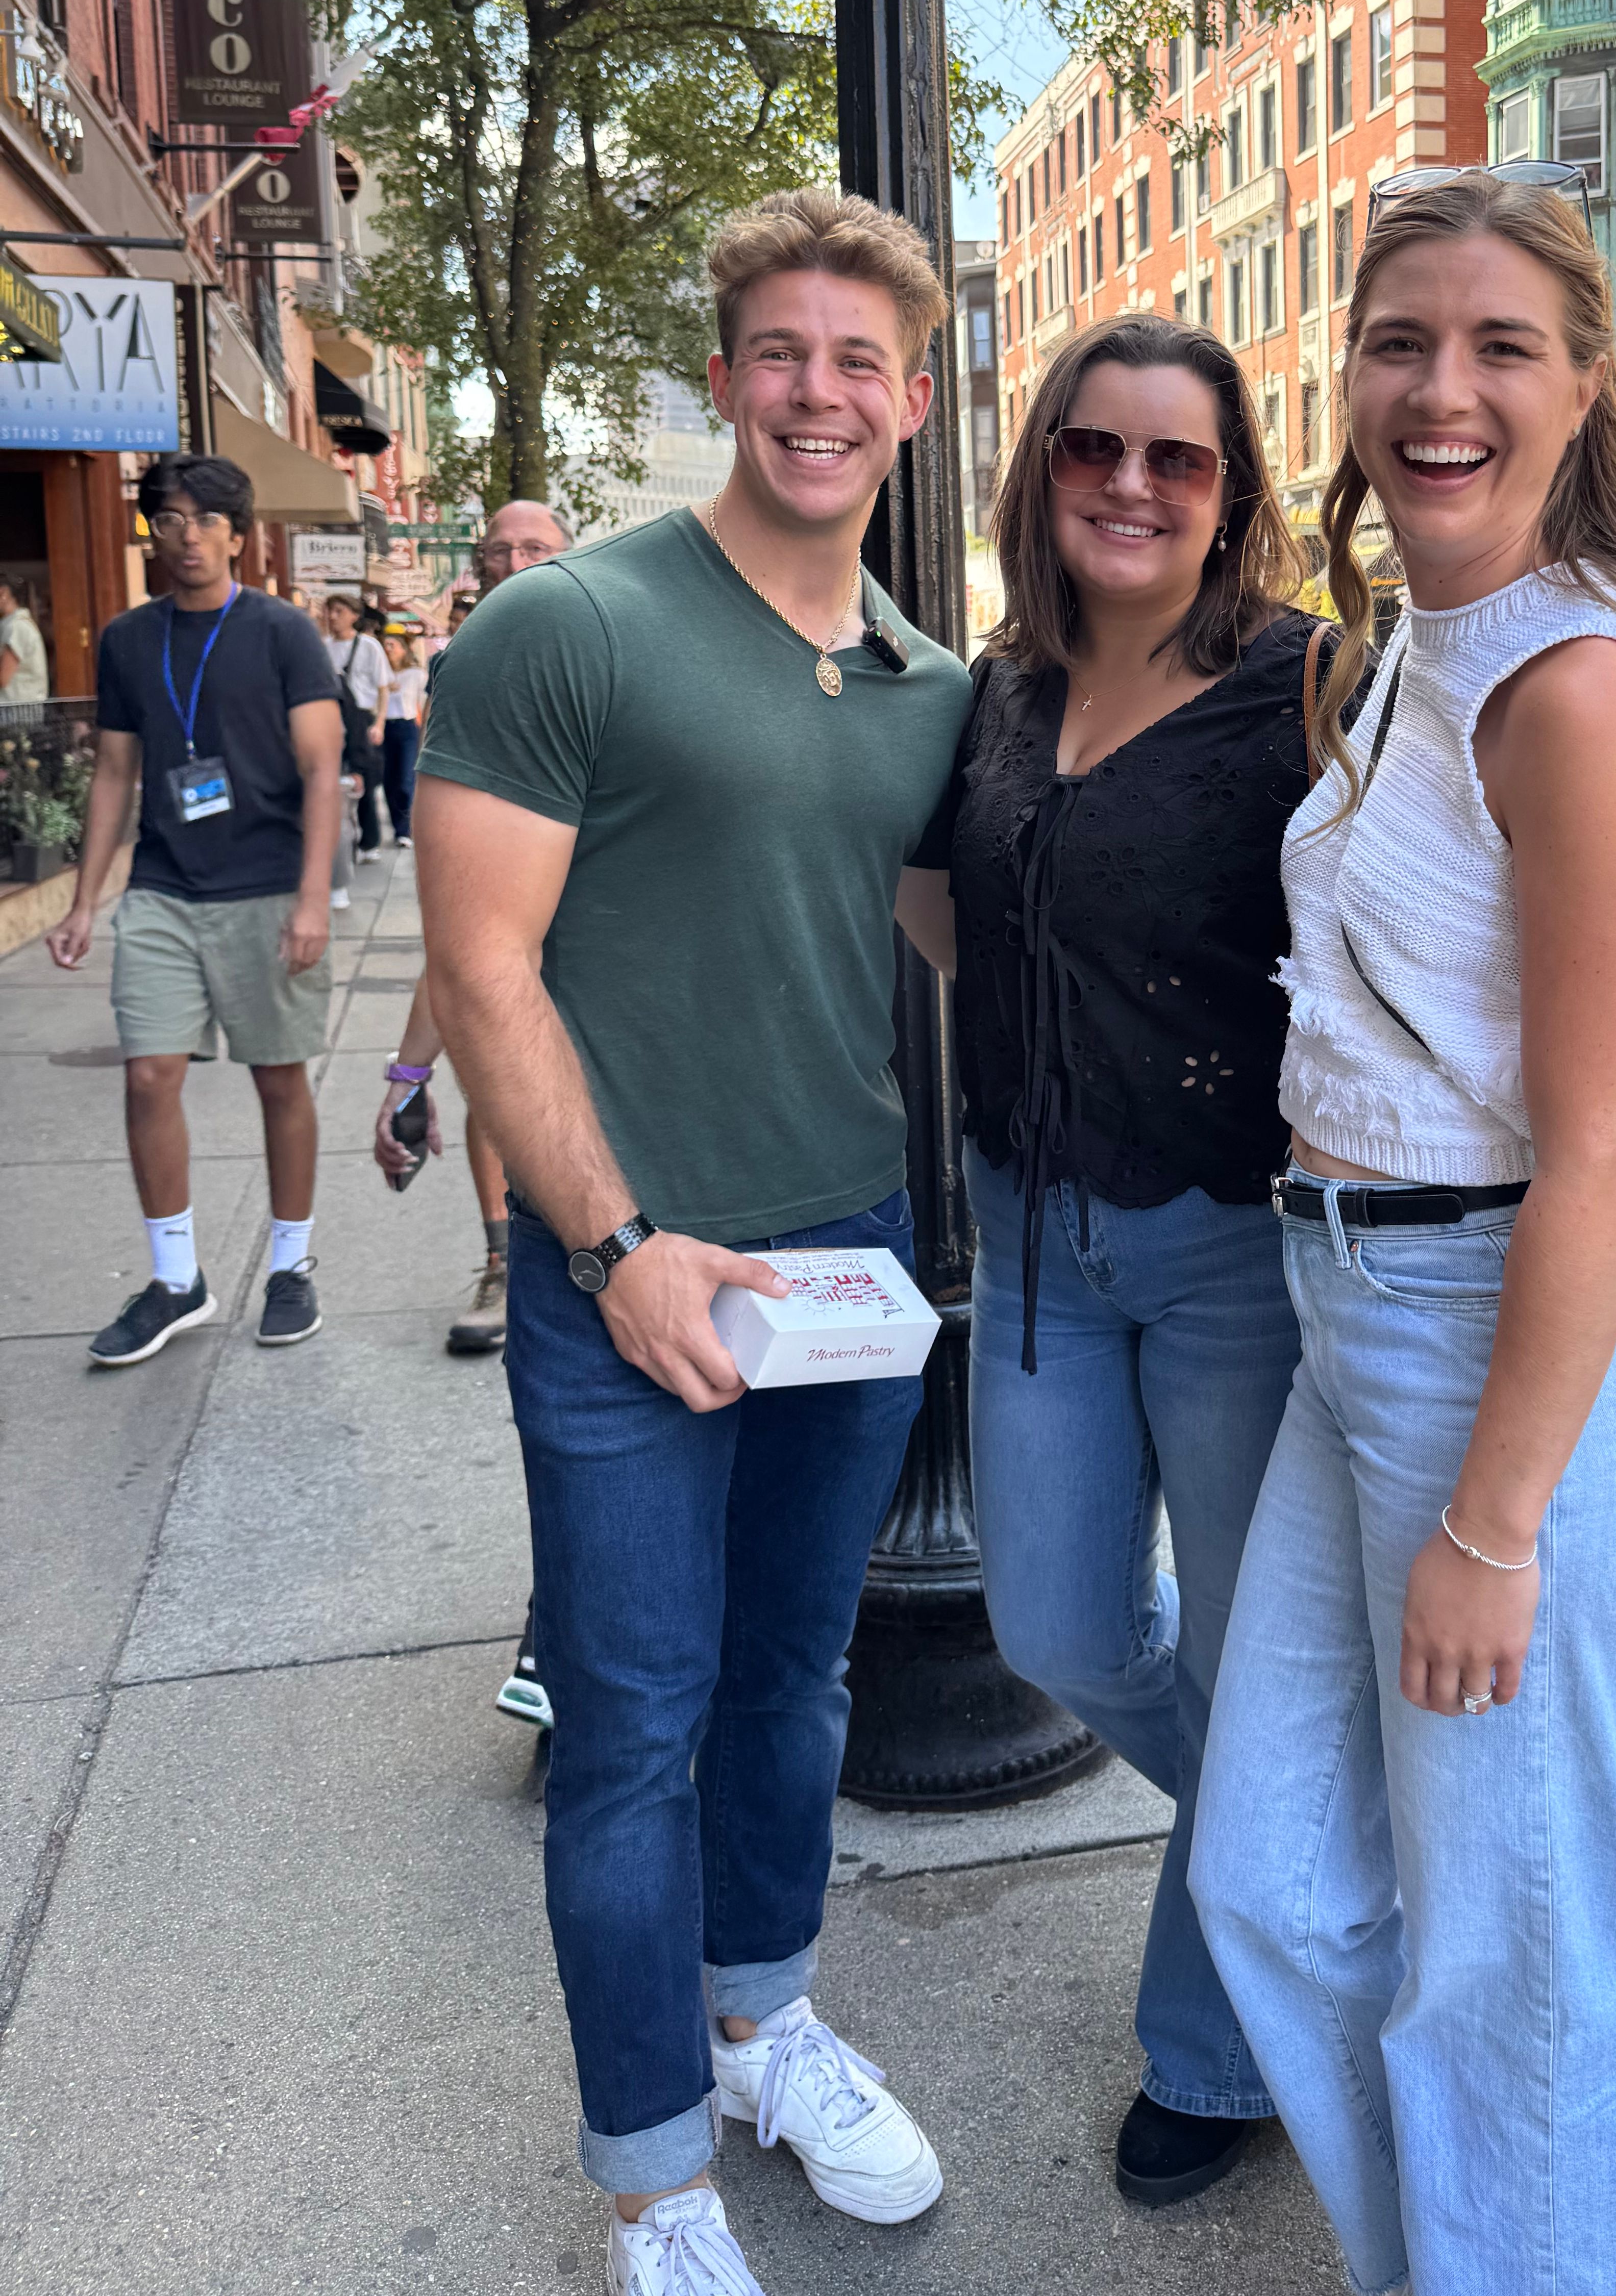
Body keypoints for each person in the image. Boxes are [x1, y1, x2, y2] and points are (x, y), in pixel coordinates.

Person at [1189, 172, 1616, 2296]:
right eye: (1402, 340)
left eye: (1503, 345)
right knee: (1277, 1889)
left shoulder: (1580, 688)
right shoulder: (1419, 645)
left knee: (1517, 1975)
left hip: (1503, 1354)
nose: (1444, 389)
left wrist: (1498, 1520)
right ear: (1344, 378)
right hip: (1360, 1322)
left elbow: (1604, 1152)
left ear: (1584, 381)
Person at [415, 186, 967, 2294]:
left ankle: (766, 2027)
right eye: (782, 352)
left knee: (793, 1686)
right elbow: (485, 967)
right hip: (625, 1265)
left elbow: (955, 930)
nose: (818, 393)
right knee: (632, 1722)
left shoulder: (927, 681)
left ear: (910, 403)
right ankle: (654, 2175)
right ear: (724, 374)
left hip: (837, 1252)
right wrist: (616, 1240)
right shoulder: (573, 628)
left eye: (860, 363)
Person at [895, 313, 1331, 2209]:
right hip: (1040, 1241)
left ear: (1232, 493)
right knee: (1059, 1632)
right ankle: (1300, 1852)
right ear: (1042, 466)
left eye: (1179, 458)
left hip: (1235, 1252)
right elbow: (945, 903)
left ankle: (1215, 2042)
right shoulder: (996, 690)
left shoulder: (1306, 689)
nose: (1133, 487)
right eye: (1096, 449)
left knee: (1246, 1667)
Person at [46, 453, 344, 1362]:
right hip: (165, 889)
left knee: (279, 1078)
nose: (187, 537)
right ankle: (177, 1279)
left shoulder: (283, 631)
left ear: (238, 535)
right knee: (148, 1077)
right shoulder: (129, 639)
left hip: (266, 887)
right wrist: (84, 902)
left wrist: (311, 899)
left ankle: (290, 1266)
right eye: (168, 520)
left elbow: (322, 767)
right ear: (154, 532)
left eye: (206, 521)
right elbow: (113, 772)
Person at [369, 499, 573, 1367]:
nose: (517, 561)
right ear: (478, 568)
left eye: (537, 546)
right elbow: (462, 926)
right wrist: (408, 1071)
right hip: (510, 945)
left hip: (615, 953)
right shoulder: (458, 676)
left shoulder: (610, 655)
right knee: (496, 1083)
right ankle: (504, 1262)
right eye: (501, 548)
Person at [323, 591, 392, 861]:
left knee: (364, 777)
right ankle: (339, 839)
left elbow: (383, 688)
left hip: (362, 717)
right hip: (331, 716)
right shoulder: (323, 646)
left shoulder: (368, 646)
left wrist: (379, 723)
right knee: (332, 778)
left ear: (354, 615)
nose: (332, 617)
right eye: (330, 611)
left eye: (339, 611)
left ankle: (369, 841)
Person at [379, 630, 425, 846]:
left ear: (404, 650)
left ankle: (407, 828)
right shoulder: (380, 675)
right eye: (385, 645)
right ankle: (399, 829)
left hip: (407, 728)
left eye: (392, 645)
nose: (388, 650)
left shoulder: (415, 674)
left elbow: (424, 705)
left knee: (406, 780)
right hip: (384, 727)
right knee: (389, 780)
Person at [0, 569, 48, 704]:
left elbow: (3, 678)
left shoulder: (17, 627)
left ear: (3, 593)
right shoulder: (11, 624)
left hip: (18, 714)